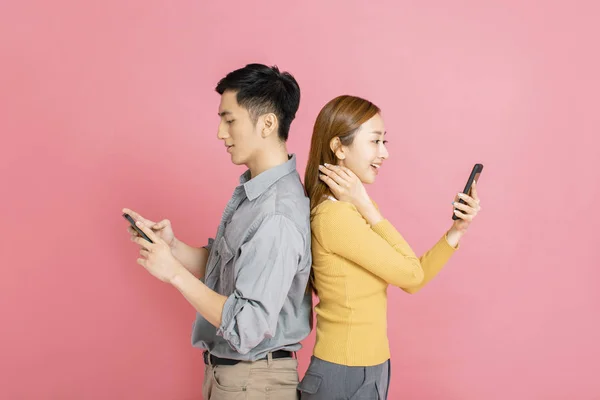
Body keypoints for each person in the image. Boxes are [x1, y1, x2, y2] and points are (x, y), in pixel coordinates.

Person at [123, 63, 312, 399]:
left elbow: (247, 326)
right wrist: (174, 247)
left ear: (268, 123)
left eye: (230, 120)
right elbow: (233, 270)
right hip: (234, 379)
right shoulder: (257, 193)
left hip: (253, 383)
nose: (220, 133)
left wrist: (176, 275)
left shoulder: (276, 214)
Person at [297, 95, 482, 399]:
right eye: (375, 141)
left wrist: (457, 230)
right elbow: (411, 276)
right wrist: (368, 206)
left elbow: (413, 276)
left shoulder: (350, 211)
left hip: (372, 369)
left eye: (385, 142)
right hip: (343, 373)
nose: (384, 153)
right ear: (339, 147)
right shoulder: (336, 217)